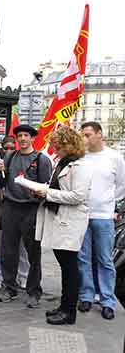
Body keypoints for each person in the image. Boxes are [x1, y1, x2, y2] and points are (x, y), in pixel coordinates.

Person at [35, 127, 92, 325]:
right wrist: (43, 190)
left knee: (69, 267)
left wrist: (47, 193)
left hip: (70, 221)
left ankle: (69, 312)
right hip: (59, 218)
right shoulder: (64, 163)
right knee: (65, 265)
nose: (55, 151)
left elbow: (78, 196)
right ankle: (64, 306)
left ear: (69, 146)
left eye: (58, 147)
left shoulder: (81, 167)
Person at [0, 124, 53, 307]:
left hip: (31, 210)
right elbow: (1, 182)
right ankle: (9, 287)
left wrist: (35, 192)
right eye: (19, 135)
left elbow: (46, 188)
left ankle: (34, 292)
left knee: (33, 254)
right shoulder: (9, 156)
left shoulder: (42, 160)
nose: (22, 139)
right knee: (7, 252)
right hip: (10, 208)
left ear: (32, 138)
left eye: (26, 135)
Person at [77, 121, 125, 320]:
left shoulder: (114, 157)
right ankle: (86, 295)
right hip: (81, 215)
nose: (84, 138)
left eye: (88, 135)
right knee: (83, 258)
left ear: (99, 134)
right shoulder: (81, 156)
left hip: (104, 216)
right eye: (83, 135)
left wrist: (109, 203)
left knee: (105, 259)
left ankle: (107, 300)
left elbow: (122, 184)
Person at [0, 136, 30, 290]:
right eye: (5, 148)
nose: (8, 151)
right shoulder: (1, 162)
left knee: (23, 247)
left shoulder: (23, 161)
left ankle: (23, 276)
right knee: (1, 246)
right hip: (4, 210)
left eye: (11, 148)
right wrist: (0, 172)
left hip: (22, 209)